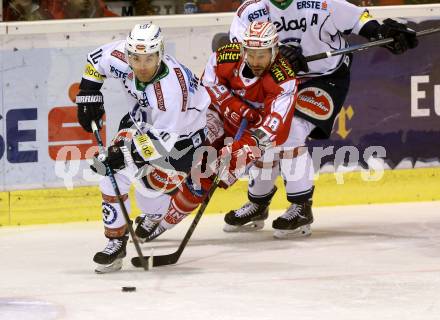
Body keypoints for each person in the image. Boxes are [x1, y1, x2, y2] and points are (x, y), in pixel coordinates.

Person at [226, 0, 418, 238]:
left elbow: (359, 20)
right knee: (265, 137)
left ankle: (301, 207)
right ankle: (258, 203)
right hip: (275, 81)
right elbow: (240, 53)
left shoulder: (322, 2)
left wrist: (383, 32)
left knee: (290, 132)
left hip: (324, 78)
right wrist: (277, 62)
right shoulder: (251, 10)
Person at [134, 21, 299, 242]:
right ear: (242, 49)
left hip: (249, 136)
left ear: (274, 51)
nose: (256, 61)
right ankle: (154, 212)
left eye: (262, 55)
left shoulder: (284, 80)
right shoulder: (226, 56)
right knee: (181, 154)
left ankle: (166, 222)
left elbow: (272, 129)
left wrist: (241, 150)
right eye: (251, 54)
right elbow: (208, 85)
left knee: (207, 174)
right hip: (215, 117)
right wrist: (236, 107)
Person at [75, 23, 210, 273]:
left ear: (160, 54)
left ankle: (156, 212)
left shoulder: (171, 91)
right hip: (142, 122)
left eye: (149, 58)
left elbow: (162, 143)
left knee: (149, 188)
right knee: (109, 171)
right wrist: (88, 91)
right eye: (135, 58)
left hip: (182, 140)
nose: (142, 65)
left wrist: (122, 154)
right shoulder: (122, 58)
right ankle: (115, 243)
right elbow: (95, 60)